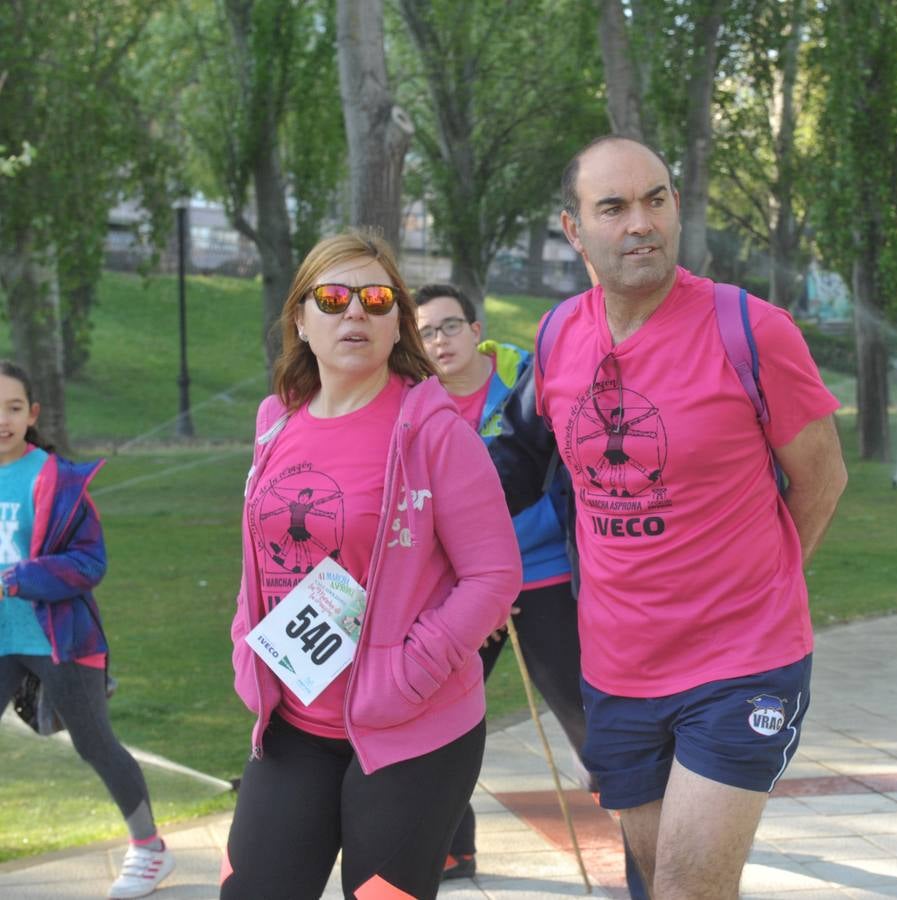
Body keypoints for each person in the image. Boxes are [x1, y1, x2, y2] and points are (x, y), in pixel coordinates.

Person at [490, 135, 848, 897]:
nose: (639, 223)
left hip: (741, 663)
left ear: (677, 207)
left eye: (655, 199)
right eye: (613, 207)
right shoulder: (558, 338)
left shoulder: (753, 331)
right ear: (573, 228)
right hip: (618, 672)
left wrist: (767, 589)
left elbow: (822, 480)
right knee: (659, 881)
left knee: (687, 887)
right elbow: (516, 462)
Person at [222, 231, 521, 900]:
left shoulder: (435, 432)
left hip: (412, 731)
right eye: (332, 297)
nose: (354, 311)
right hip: (294, 721)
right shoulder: (276, 421)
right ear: (300, 318)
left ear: (396, 323)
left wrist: (408, 672)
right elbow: (259, 553)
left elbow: (494, 575)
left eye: (376, 298)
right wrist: (248, 645)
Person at [412, 282, 586, 881]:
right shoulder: (416, 404)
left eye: (450, 326)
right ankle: (455, 848)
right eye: (427, 332)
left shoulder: (524, 379)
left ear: (475, 326)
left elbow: (556, 469)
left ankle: (641, 816)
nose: (440, 341)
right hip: (465, 588)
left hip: (542, 572)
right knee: (445, 720)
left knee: (584, 712)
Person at [0, 361, 174, 899]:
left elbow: (88, 562)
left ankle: (149, 851)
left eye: (12, 407)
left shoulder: (58, 479)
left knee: (95, 743)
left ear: (32, 414)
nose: (1, 418)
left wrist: (19, 578)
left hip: (60, 639)